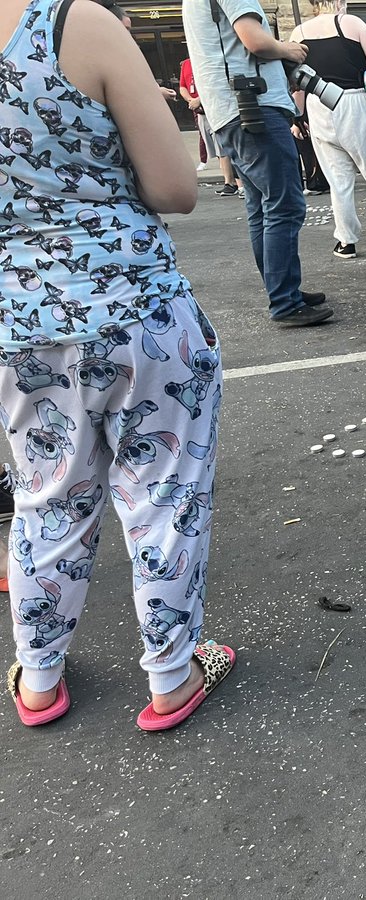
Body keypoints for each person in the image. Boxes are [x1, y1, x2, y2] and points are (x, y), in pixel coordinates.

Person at [0, 0, 234, 729]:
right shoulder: (76, 24)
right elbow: (175, 187)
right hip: (136, 314)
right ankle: (171, 674)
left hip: (19, 325)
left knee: (45, 498)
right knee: (165, 492)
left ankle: (38, 677)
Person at [182, 0, 333, 326]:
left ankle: (284, 291)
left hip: (231, 109)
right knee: (284, 205)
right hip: (255, 105)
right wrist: (289, 50)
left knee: (261, 207)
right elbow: (255, 41)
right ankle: (284, 301)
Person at [288, 0, 366, 259]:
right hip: (355, 102)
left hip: (318, 106)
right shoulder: (351, 23)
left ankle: (346, 242)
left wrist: (297, 119)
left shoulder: (299, 33)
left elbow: (297, 81)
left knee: (338, 180)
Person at [178, 57, 243, 196]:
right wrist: (191, 100)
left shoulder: (208, 61)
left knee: (223, 147)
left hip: (215, 108)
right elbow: (183, 85)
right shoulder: (187, 64)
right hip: (199, 111)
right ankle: (231, 181)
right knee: (216, 148)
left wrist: (199, 99)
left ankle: (233, 183)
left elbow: (214, 84)